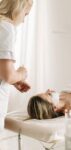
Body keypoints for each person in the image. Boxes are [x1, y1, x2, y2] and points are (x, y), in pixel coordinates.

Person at [0, 0, 33, 130]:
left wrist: (15, 80)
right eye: (25, 14)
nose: (24, 20)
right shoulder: (6, 28)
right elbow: (8, 75)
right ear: (18, 9)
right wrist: (21, 73)